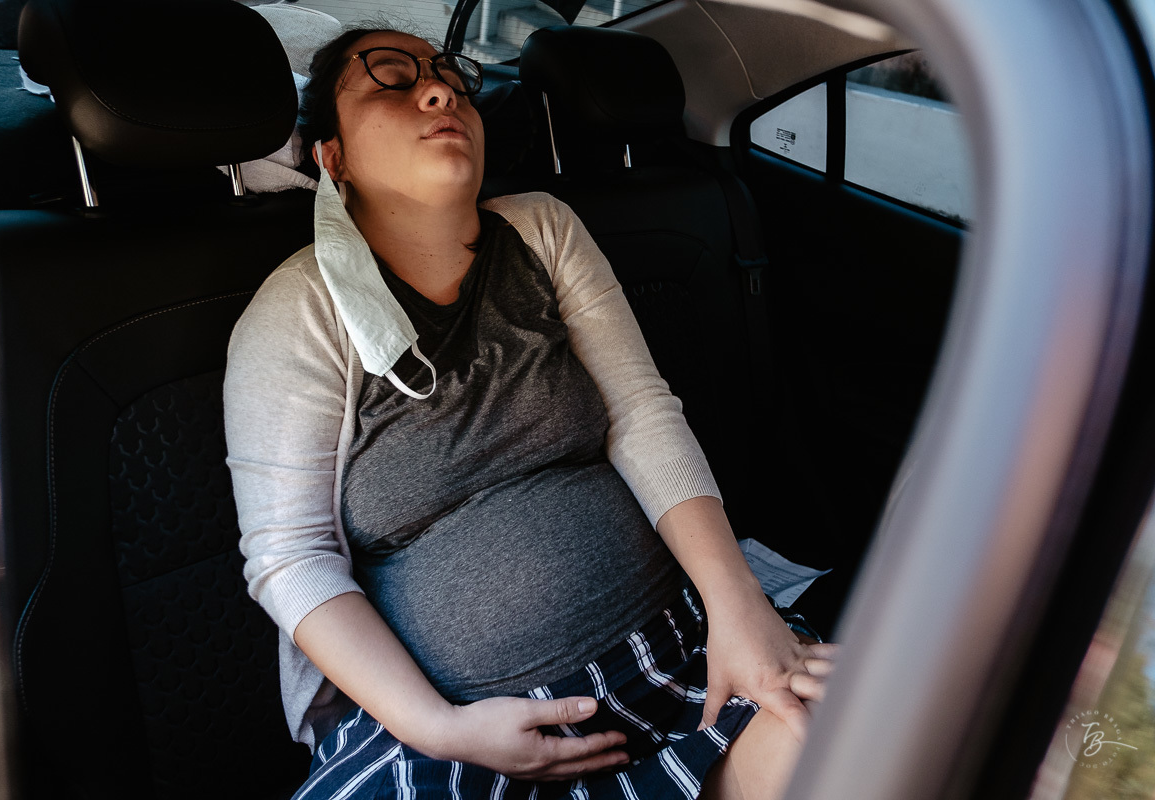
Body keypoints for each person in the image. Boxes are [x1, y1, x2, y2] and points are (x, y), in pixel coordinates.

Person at [223, 25, 838, 800]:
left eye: (450, 74)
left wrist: (739, 608)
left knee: (853, 728)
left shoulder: (543, 229)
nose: (440, 90)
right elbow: (293, 559)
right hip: (452, 726)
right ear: (331, 156)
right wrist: (440, 729)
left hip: (675, 652)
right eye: (389, 77)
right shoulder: (298, 308)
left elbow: (643, 415)